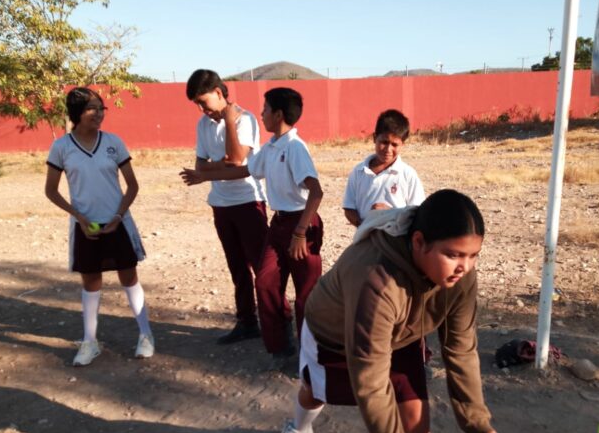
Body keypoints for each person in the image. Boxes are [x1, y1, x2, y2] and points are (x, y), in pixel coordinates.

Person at [263, 189, 510, 433]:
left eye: (473, 255)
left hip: (401, 333)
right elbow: (372, 387)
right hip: (336, 332)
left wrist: (477, 425)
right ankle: (297, 429)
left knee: (416, 419)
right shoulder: (377, 279)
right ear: (418, 242)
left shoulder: (461, 277)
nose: (465, 267)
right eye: (453, 254)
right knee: (314, 393)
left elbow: (461, 351)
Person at [180, 87, 323, 364]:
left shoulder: (295, 147)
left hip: (301, 224)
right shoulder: (271, 147)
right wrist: (202, 176)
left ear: (278, 114)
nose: (261, 114)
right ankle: (281, 346)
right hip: (279, 222)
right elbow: (243, 170)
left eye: (266, 109)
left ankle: (311, 357)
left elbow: (316, 193)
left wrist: (300, 233)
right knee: (267, 280)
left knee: (307, 294)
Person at [45, 87, 153, 366]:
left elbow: (132, 186)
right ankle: (90, 341)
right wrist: (79, 218)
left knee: (128, 276)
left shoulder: (113, 142)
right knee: (91, 281)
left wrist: (118, 217)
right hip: (86, 226)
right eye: (92, 108)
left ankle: (145, 335)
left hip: (118, 222)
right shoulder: (62, 147)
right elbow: (52, 191)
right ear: (76, 113)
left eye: (101, 108)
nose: (98, 114)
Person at [185, 69, 269, 344]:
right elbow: (202, 164)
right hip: (220, 204)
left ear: (219, 93)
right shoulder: (202, 124)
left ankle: (276, 323)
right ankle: (247, 322)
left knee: (262, 268)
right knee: (237, 268)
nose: (201, 109)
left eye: (203, 101)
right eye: (196, 104)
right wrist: (221, 167)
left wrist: (229, 123)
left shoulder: (246, 120)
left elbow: (238, 160)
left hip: (248, 201)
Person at [342, 109, 425, 227]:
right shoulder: (359, 172)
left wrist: (392, 214)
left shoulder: (408, 175)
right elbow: (349, 208)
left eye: (395, 144)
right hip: (366, 239)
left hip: (396, 241)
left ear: (403, 145)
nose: (388, 149)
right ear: (374, 138)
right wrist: (364, 226)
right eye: (384, 142)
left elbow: (418, 214)